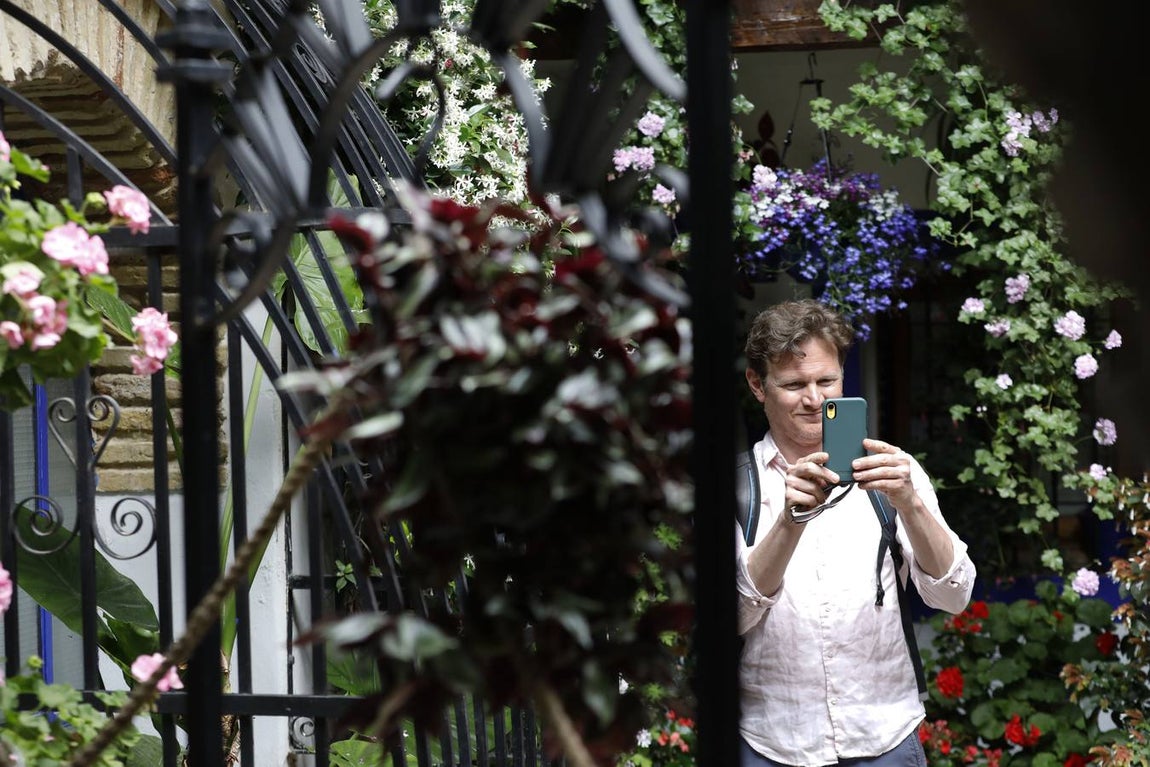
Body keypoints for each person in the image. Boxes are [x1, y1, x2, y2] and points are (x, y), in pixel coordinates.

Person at [735, 299, 977, 767]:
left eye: (827, 381)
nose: (814, 399)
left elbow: (954, 596)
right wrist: (789, 520)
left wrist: (910, 502)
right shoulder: (740, 486)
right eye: (793, 384)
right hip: (773, 742)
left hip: (884, 735)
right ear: (756, 385)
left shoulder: (895, 472)